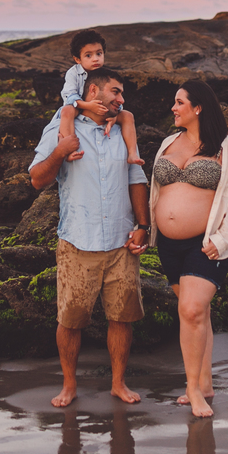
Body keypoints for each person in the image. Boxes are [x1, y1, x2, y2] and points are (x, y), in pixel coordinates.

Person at [29, 66, 151, 408]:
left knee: (122, 318)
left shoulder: (122, 130)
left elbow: (135, 175)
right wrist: (60, 150)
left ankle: (118, 384)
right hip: (77, 242)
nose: (121, 100)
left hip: (121, 242)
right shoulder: (61, 127)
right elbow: (37, 179)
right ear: (94, 92)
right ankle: (69, 385)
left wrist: (144, 226)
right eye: (116, 92)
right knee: (70, 321)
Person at [148, 80, 228, 417]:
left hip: (206, 244)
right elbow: (155, 192)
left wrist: (221, 241)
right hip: (168, 246)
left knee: (191, 311)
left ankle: (193, 390)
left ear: (198, 107)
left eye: (179, 102)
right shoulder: (168, 142)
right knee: (197, 314)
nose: (173, 108)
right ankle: (205, 382)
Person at [56, 30, 143, 165]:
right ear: (78, 59)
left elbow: (115, 98)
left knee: (127, 116)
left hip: (101, 110)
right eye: (88, 55)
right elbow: (70, 96)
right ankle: (70, 150)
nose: (95, 59)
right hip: (78, 107)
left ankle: (132, 153)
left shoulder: (105, 75)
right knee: (66, 111)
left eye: (99, 53)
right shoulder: (73, 73)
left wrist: (115, 115)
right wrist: (87, 105)